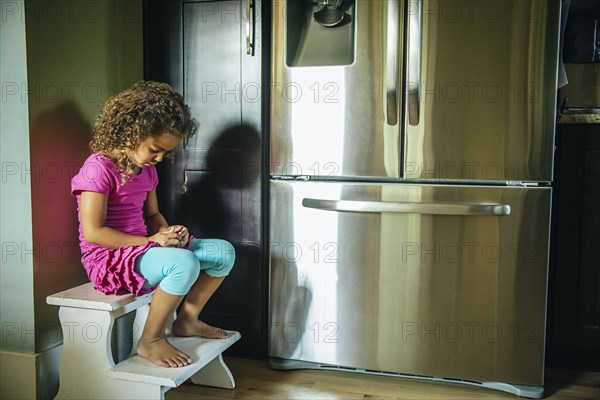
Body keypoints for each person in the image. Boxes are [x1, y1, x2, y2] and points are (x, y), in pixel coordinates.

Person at [71, 81, 236, 368]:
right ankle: (151, 340)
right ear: (131, 132)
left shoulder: (146, 172)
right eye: (154, 150)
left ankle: (187, 320)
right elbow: (93, 232)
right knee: (183, 264)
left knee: (223, 253)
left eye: (165, 154)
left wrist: (167, 232)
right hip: (109, 259)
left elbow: (152, 217)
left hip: (145, 249)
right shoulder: (98, 169)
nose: (159, 159)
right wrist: (150, 242)